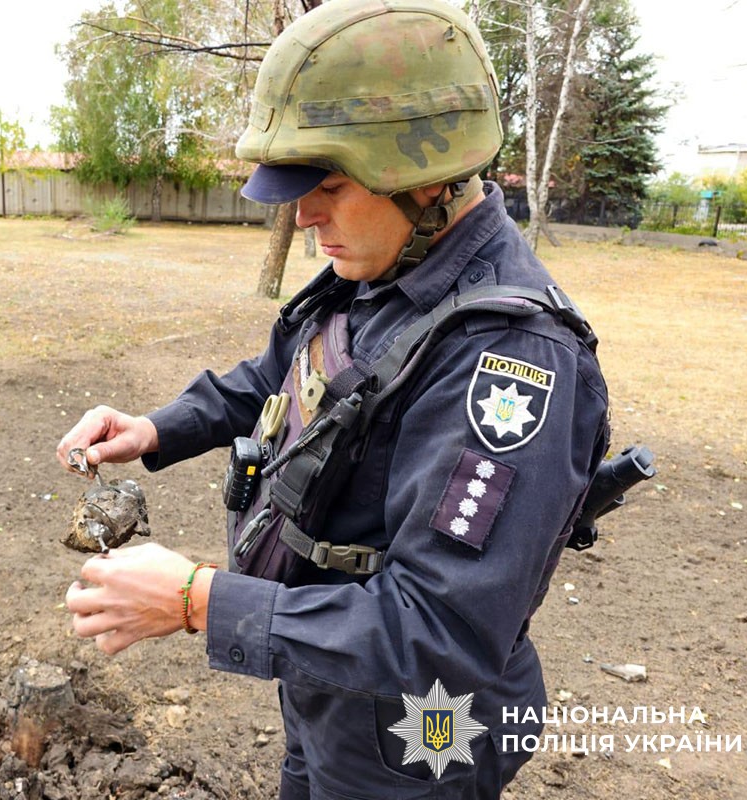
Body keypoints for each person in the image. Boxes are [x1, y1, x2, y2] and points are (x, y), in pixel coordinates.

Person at [58, 1, 610, 798]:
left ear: (421, 176)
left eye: (329, 186)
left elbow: (442, 630)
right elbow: (285, 376)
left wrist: (196, 600)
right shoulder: (386, 272)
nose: (303, 213)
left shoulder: (511, 360)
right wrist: (153, 430)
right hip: (328, 682)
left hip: (421, 735)